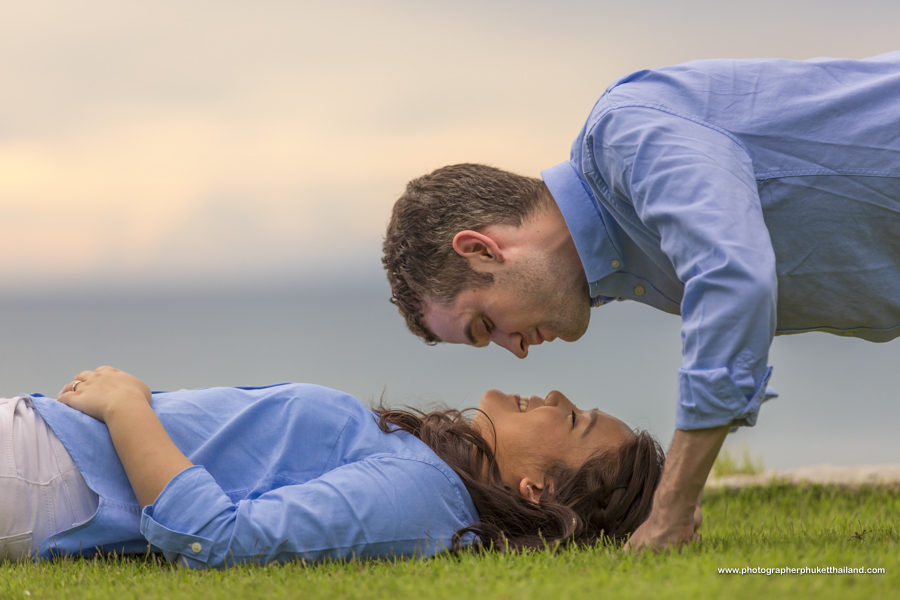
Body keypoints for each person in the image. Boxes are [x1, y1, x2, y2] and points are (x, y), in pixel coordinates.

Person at [382, 51, 900, 551]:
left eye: (485, 324)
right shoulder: (641, 267)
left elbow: (733, 278)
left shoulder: (625, 132)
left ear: (482, 250)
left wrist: (674, 499)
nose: (514, 350)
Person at [0, 366, 664, 567]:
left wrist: (125, 407)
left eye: (572, 419)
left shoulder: (422, 497)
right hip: (43, 450)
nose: (555, 397)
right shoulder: (426, 466)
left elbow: (217, 537)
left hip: (47, 473)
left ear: (538, 490)